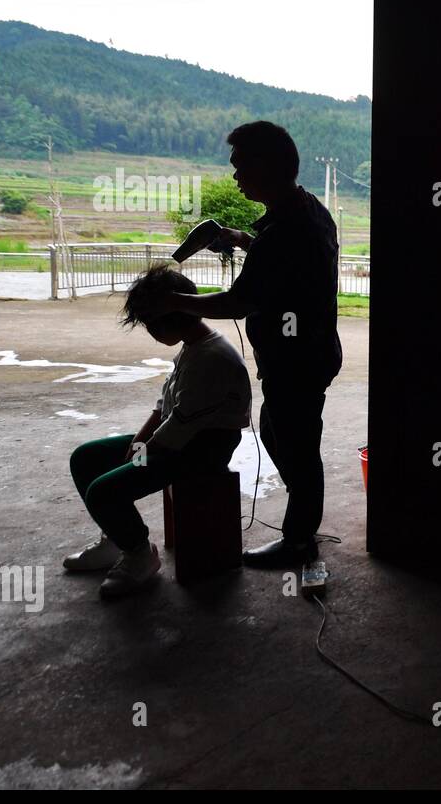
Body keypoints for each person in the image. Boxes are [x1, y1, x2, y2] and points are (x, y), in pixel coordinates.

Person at [148, 121, 342, 567]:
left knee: (295, 446)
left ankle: (298, 541)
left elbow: (238, 301)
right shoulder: (307, 209)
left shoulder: (284, 229)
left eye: (240, 167)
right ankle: (302, 526)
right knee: (280, 433)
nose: (235, 177)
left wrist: (174, 300)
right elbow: (286, 264)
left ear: (267, 165)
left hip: (296, 360)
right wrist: (242, 239)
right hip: (308, 354)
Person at [64, 265, 250, 598]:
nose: (150, 331)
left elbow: (179, 427)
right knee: (85, 458)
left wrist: (144, 451)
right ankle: (117, 537)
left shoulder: (211, 358)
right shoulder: (194, 345)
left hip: (201, 449)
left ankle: (139, 555)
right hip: (178, 438)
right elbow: (164, 403)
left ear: (172, 315)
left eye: (150, 323)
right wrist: (139, 439)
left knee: (103, 492)